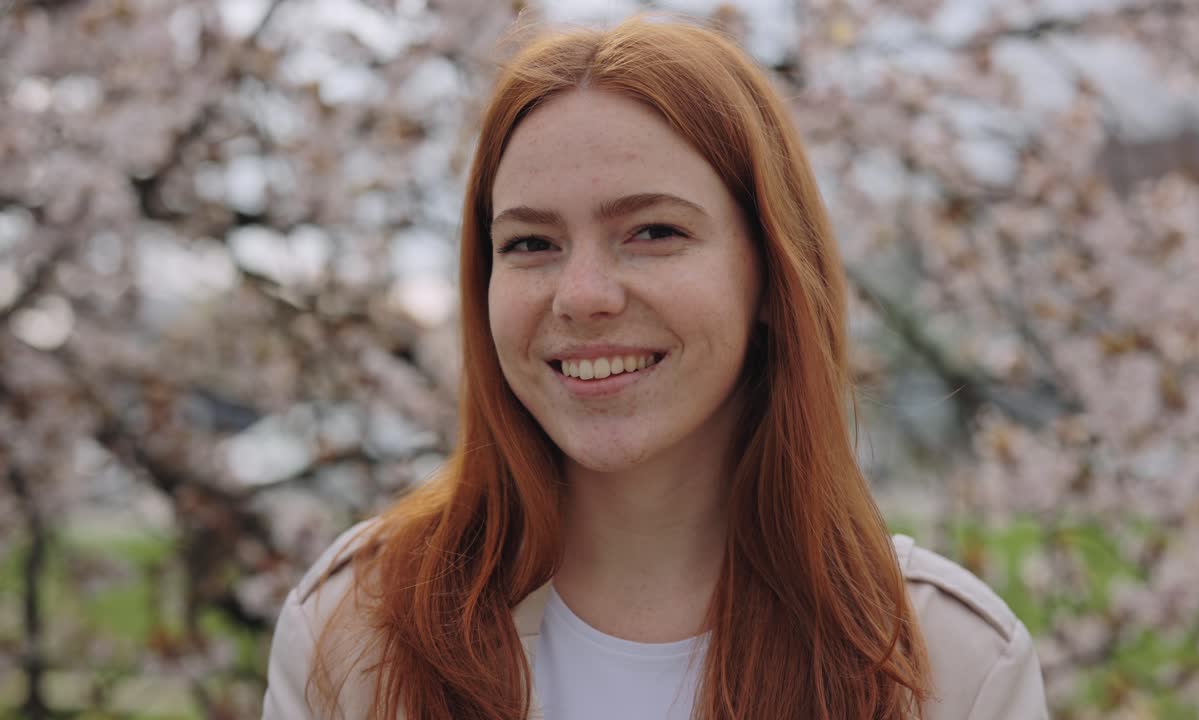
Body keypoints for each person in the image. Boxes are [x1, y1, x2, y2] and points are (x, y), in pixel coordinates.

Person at [262, 15, 1047, 720]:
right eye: (531, 243)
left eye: (653, 232)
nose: (583, 296)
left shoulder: (946, 664)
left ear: (772, 273)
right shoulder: (356, 632)